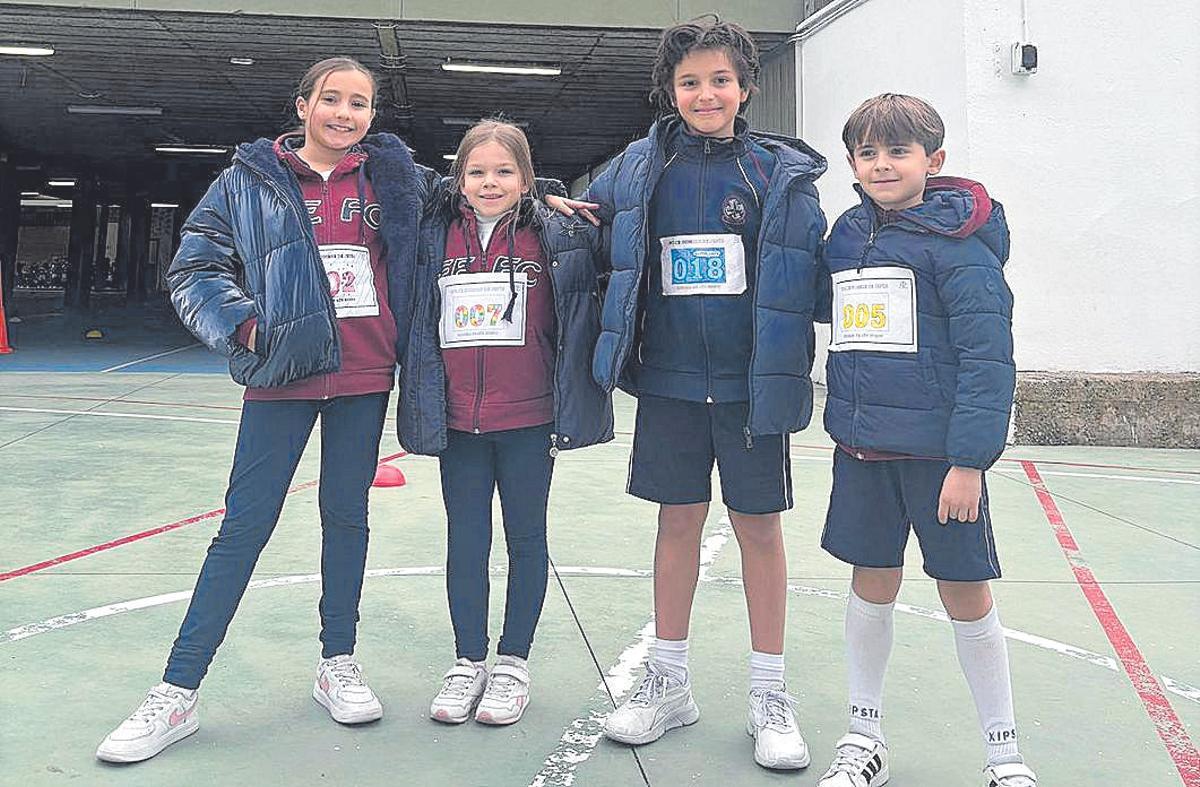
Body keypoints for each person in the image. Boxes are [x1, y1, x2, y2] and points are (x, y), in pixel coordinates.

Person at [95, 56, 427, 763]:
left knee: (347, 517)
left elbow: (475, 199)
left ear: (372, 115)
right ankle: (177, 689)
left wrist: (544, 195)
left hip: (365, 376)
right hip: (281, 376)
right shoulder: (248, 182)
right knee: (244, 526)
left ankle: (338, 661)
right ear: (304, 105)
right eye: (332, 99)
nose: (345, 112)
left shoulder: (394, 179)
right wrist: (246, 326)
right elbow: (194, 266)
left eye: (360, 103)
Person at [568, 16, 828, 770]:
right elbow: (593, 232)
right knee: (677, 522)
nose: (707, 93)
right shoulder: (638, 168)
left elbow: (817, 271)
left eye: (721, 80)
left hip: (752, 388)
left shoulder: (777, 175)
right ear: (669, 91)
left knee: (758, 529)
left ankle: (769, 694)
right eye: (690, 82)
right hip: (671, 385)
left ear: (746, 87)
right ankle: (669, 681)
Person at [814, 93, 1036, 787]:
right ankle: (863, 736)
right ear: (852, 162)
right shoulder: (846, 234)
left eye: (898, 151)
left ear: (933, 161)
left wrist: (969, 460)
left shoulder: (962, 251)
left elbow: (987, 361)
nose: (882, 164)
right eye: (869, 152)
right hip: (861, 453)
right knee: (870, 585)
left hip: (942, 462)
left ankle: (1004, 753)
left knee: (965, 591)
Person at [397, 119, 612, 727]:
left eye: (504, 171)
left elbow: (617, 244)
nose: (490, 183)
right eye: (477, 172)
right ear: (458, 180)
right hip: (459, 420)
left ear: (525, 177)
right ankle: (468, 661)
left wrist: (548, 199)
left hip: (529, 418)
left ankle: (513, 662)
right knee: (466, 540)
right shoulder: (433, 233)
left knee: (525, 537)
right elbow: (392, 172)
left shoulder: (557, 236)